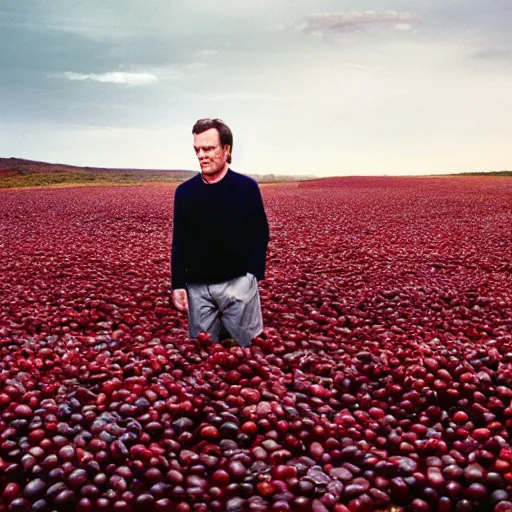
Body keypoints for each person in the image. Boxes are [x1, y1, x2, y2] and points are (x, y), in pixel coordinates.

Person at [170, 118, 270, 348]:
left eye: (209, 148)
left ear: (227, 150)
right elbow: (180, 241)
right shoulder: (185, 192)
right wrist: (178, 284)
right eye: (197, 149)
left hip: (238, 284)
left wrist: (252, 276)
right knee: (203, 353)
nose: (201, 155)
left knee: (249, 348)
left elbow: (260, 232)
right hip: (198, 289)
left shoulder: (246, 188)